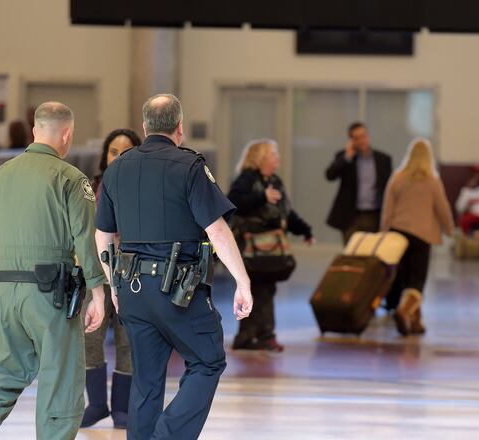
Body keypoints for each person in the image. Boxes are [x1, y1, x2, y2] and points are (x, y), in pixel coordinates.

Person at [94, 94, 253, 440]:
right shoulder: (191, 166)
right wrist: (243, 282)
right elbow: (217, 230)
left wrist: (115, 288)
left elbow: (103, 234)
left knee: (146, 378)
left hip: (133, 289)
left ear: (144, 126)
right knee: (208, 360)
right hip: (179, 290)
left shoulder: (116, 168)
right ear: (180, 128)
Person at [0, 102, 106, 440]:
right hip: (51, 294)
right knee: (61, 375)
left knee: (3, 370)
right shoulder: (71, 178)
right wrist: (98, 292)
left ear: (36, 131)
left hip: (5, 290)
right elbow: (85, 240)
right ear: (66, 134)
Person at [81, 128, 141, 429]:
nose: (119, 156)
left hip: (132, 275)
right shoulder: (91, 187)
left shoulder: (145, 187)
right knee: (88, 337)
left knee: (127, 341)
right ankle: (96, 404)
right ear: (105, 155)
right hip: (97, 275)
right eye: (114, 151)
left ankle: (122, 408)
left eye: (126, 150)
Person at [228, 139, 313, 352]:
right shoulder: (246, 179)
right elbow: (234, 203)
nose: (278, 159)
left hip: (270, 247)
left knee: (263, 289)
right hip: (250, 248)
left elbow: (286, 213)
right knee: (261, 288)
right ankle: (264, 335)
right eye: (273, 155)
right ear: (261, 158)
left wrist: (304, 230)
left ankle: (247, 336)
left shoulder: (275, 181)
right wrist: (261, 197)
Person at [380, 138, 454, 336]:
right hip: (422, 236)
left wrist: (384, 231)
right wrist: (449, 228)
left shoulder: (398, 177)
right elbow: (442, 207)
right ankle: (404, 311)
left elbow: (388, 208)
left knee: (404, 278)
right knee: (417, 280)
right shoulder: (432, 181)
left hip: (398, 235)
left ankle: (416, 322)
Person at [326, 122, 392, 243]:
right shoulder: (345, 157)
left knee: (371, 255)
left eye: (364, 136)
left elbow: (389, 187)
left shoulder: (383, 159)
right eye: (357, 138)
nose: (362, 140)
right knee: (351, 254)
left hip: (374, 216)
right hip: (351, 217)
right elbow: (330, 175)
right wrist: (346, 157)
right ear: (352, 141)